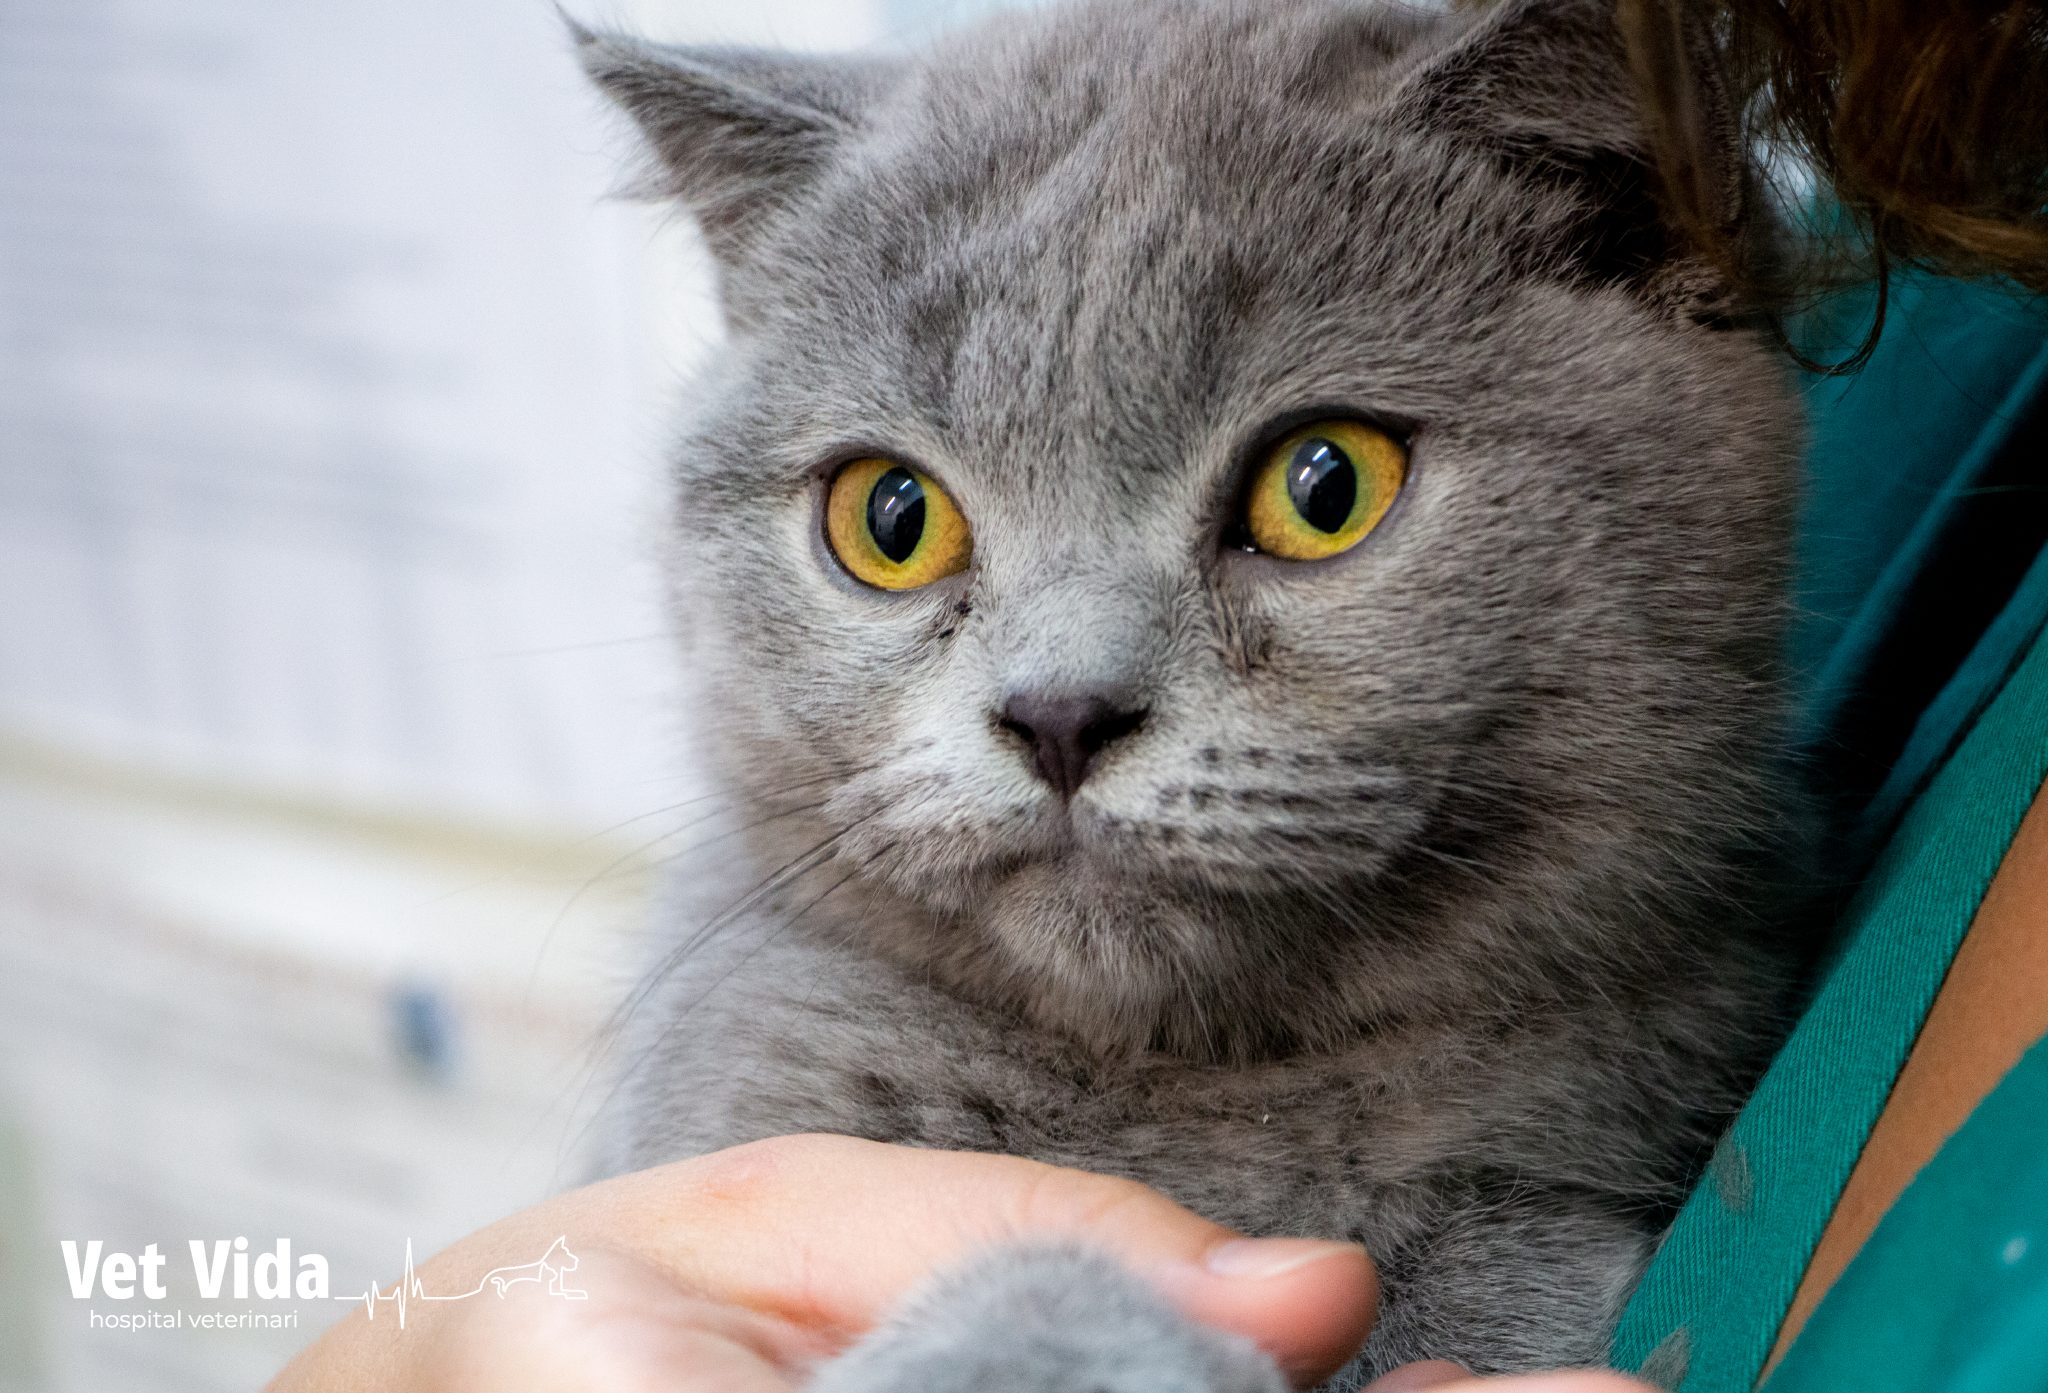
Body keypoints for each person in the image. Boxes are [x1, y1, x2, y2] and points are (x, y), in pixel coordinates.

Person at [271, 0, 2048, 1388]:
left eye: (1316, 489)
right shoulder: (1942, 306)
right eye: (899, 527)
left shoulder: (1898, 350)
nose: (1055, 688)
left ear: (1618, 222)